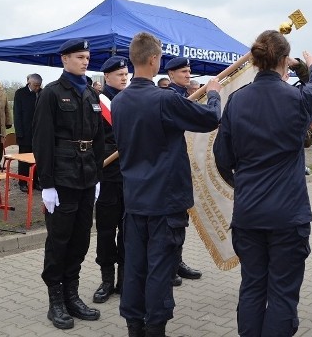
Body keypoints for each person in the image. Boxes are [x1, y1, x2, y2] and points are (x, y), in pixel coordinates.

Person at [213, 31, 312, 336]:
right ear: (283, 61)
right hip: (287, 216)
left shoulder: (237, 100)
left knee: (252, 286)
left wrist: (243, 185)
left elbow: (222, 158)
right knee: (282, 292)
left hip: (249, 213)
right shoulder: (297, 99)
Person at [111, 33, 221, 337]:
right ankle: (155, 326)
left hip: (134, 199)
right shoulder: (164, 99)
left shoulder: (119, 101)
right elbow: (210, 119)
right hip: (164, 201)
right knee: (160, 268)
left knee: (135, 267)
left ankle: (135, 325)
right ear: (153, 60)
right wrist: (213, 93)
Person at [33, 38, 105, 330]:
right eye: (79, 56)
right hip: (62, 176)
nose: (85, 61)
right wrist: (47, 183)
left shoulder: (90, 93)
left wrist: (98, 175)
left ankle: (72, 295)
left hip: (87, 176)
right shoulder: (51, 93)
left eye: (87, 57)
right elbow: (42, 140)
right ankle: (56, 300)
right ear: (65, 59)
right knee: (59, 239)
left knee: (81, 238)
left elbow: (98, 138)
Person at [163, 56, 204, 285]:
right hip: (170, 166)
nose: (188, 75)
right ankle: (169, 265)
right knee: (173, 220)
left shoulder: (185, 96)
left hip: (183, 163)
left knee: (182, 217)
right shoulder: (171, 97)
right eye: (183, 72)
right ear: (171, 75)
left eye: (189, 71)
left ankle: (177, 261)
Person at [93, 56, 128, 304]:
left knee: (128, 232)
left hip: (130, 178)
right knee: (106, 231)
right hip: (107, 176)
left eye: (126, 74)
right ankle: (106, 280)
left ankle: (125, 280)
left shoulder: (131, 99)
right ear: (107, 77)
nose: (124, 78)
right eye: (119, 75)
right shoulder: (97, 102)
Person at [13, 73, 42, 192]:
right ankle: (23, 182)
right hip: (25, 132)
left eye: (39, 85)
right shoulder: (20, 93)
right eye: (35, 85)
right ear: (29, 82)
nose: (37, 88)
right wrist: (19, 133)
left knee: (37, 158)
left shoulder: (41, 92)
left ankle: (35, 181)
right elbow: (17, 114)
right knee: (24, 159)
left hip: (38, 132)